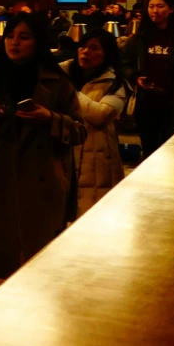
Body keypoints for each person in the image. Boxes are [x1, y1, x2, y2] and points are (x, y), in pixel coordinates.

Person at [0, 14, 87, 278]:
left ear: (38, 42)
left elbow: (80, 131)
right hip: (0, 181)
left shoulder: (57, 82)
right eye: (10, 36)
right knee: (3, 266)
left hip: (42, 181)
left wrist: (49, 118)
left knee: (40, 267)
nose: (15, 43)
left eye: (24, 37)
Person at [62, 30, 129, 215]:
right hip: (64, 151)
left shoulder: (115, 83)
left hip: (98, 157)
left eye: (94, 48)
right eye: (82, 46)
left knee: (94, 215)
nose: (85, 52)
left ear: (107, 53)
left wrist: (69, 92)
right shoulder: (61, 72)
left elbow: (101, 115)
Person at [119, 0, 174, 157]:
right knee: (149, 148)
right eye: (151, 6)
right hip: (147, 100)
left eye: (160, 6)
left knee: (172, 148)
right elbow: (125, 63)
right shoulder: (140, 38)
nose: (155, 10)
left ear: (171, 9)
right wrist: (135, 76)